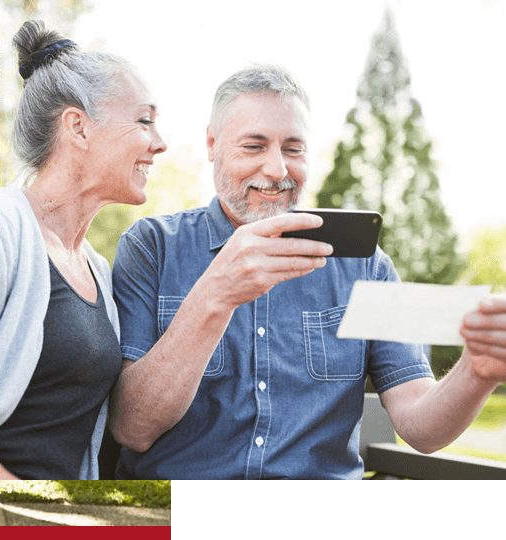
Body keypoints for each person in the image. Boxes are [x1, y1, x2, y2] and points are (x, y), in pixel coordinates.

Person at [109, 63, 506, 479]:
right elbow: (132, 427)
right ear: (212, 143)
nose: (278, 169)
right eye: (254, 146)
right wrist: (216, 294)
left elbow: (422, 429)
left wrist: (476, 371)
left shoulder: (364, 266)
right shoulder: (151, 247)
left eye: (293, 148)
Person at [0, 20, 167, 480]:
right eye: (144, 121)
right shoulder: (5, 225)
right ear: (78, 127)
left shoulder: (96, 269)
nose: (160, 142)